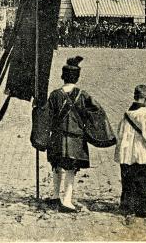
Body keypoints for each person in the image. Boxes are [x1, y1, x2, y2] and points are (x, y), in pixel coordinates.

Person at [46, 56, 92, 213]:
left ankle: (54, 196)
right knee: (71, 170)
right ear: (77, 78)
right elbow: (94, 114)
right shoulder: (83, 95)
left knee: (56, 166)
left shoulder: (54, 95)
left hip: (57, 137)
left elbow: (47, 116)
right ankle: (67, 201)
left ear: (62, 76)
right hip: (75, 138)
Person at [114, 85, 146, 217]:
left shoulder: (126, 114)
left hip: (126, 154)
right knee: (145, 181)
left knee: (128, 182)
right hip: (142, 153)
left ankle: (127, 206)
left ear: (134, 96)